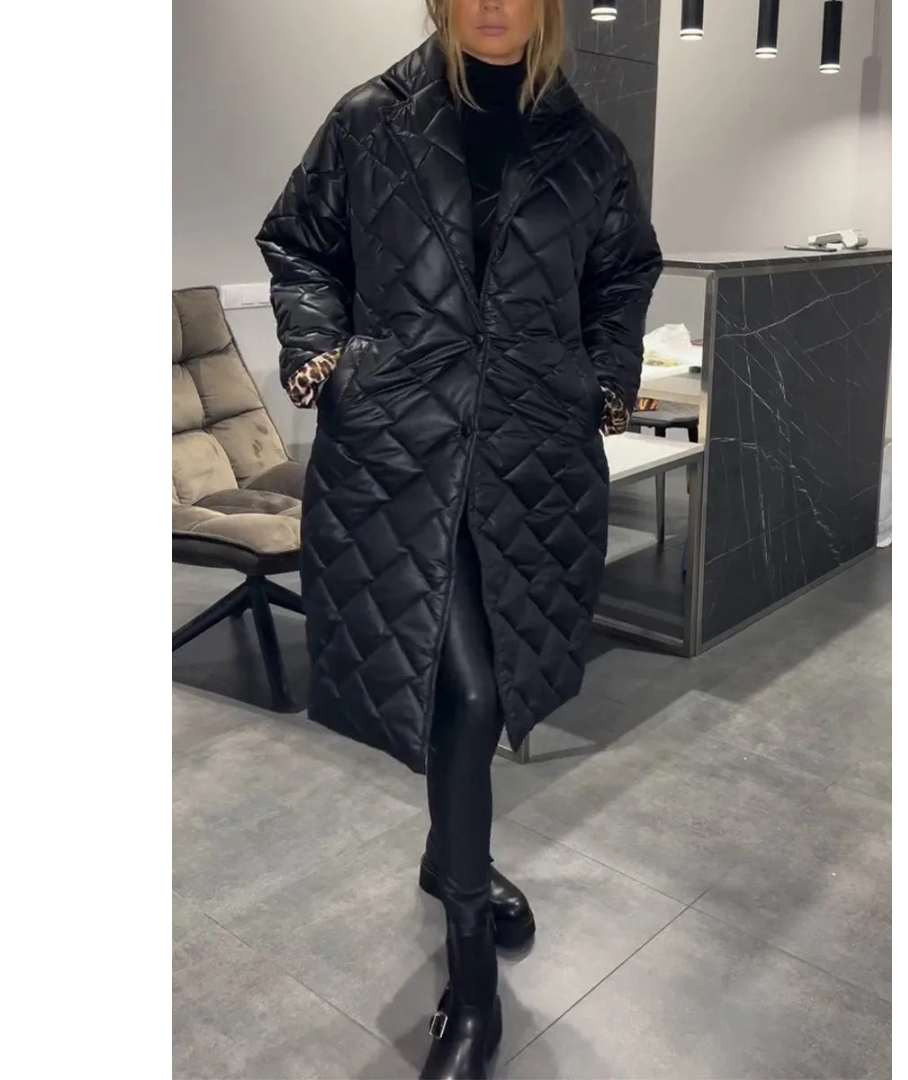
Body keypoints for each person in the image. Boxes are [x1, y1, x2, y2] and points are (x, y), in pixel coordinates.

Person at [256, 1, 661, 1075]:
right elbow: (299, 243)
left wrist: (603, 375)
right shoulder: (369, 121)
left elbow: (624, 271)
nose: (493, 3)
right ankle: (471, 982)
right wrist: (323, 354)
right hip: (400, 452)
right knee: (469, 696)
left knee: (484, 688)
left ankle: (452, 858)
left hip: (530, 455)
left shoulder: (588, 147)